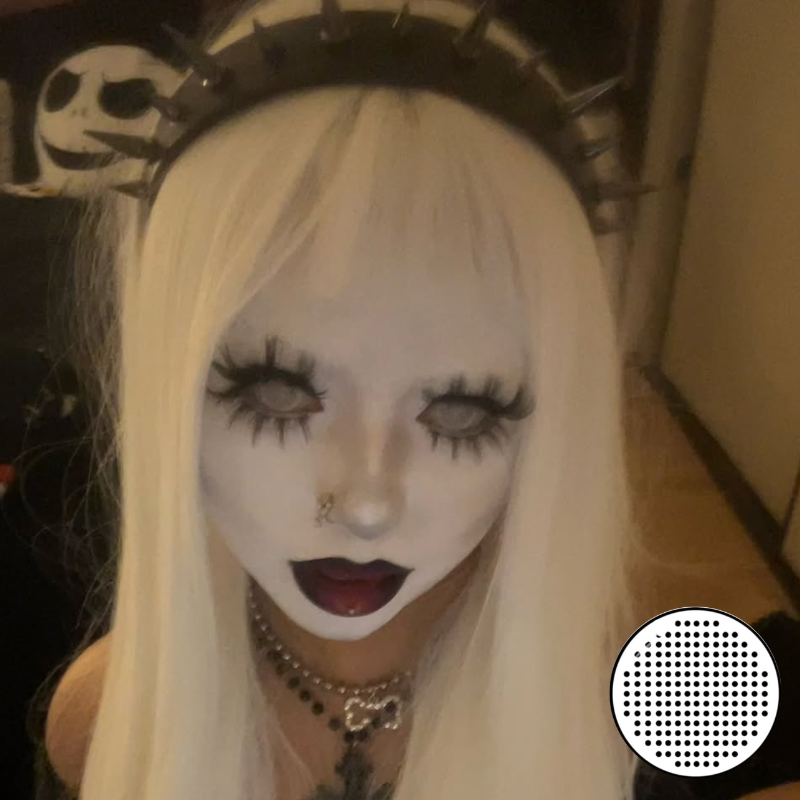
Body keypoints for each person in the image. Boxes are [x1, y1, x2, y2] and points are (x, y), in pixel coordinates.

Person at [37, 2, 800, 800]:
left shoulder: (658, 702)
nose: (365, 505)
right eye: (275, 396)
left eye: (463, 414)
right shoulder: (110, 722)